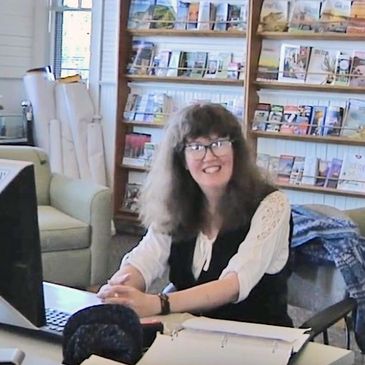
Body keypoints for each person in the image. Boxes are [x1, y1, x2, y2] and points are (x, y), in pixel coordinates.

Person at [97, 103, 293, 327]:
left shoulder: (272, 204)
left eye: (218, 143)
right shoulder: (175, 204)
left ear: (235, 151)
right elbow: (146, 258)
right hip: (190, 332)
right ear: (183, 160)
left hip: (260, 339)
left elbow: (234, 284)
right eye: (196, 147)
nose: (209, 156)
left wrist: (159, 303)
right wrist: (121, 289)